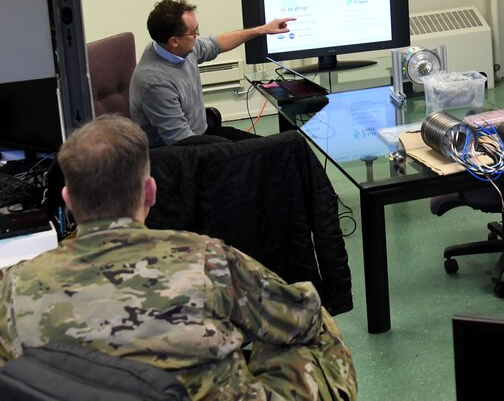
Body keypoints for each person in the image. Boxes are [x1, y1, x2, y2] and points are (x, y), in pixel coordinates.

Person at [0, 115, 357, 400]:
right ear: (150, 192)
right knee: (315, 325)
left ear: (67, 200)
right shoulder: (207, 260)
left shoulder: (15, 285)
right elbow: (300, 316)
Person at [129, 0, 294, 147]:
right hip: (177, 153)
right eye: (194, 33)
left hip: (200, 134)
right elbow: (180, 140)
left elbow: (217, 43)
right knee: (261, 156)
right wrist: (227, 151)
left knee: (273, 148)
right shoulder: (154, 81)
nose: (198, 37)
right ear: (174, 41)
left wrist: (262, 30)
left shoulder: (180, 48)